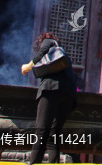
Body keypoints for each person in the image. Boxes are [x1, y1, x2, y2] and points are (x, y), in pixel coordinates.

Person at [20, 32, 78, 164]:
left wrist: (28, 67)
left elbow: (42, 52)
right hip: (69, 95)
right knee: (53, 135)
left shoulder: (49, 41)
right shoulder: (64, 57)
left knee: (41, 130)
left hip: (51, 89)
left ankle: (34, 163)